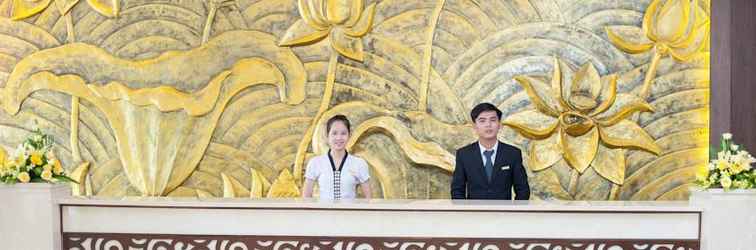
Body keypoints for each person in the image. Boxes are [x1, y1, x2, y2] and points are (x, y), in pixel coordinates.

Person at [451, 103, 530, 200]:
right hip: (474, 212)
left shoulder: (512, 154)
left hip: (504, 213)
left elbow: (523, 190)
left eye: (493, 120)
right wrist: (466, 213)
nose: (488, 125)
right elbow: (457, 190)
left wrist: (513, 213)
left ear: (499, 124)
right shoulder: (464, 155)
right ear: (475, 126)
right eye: (482, 121)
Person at [302, 115, 371, 200]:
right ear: (327, 136)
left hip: (349, 213)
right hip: (324, 212)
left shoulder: (359, 163)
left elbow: (369, 200)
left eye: (343, 133)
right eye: (334, 133)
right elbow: (306, 198)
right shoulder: (315, 162)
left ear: (349, 135)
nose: (339, 138)